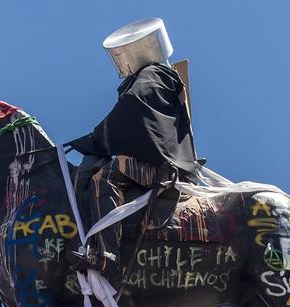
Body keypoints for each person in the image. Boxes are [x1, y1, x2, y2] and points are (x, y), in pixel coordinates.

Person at [66, 18, 200, 276]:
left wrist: (93, 140)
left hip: (161, 169)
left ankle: (106, 255)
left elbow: (131, 113)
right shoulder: (154, 77)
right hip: (160, 161)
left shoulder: (154, 74)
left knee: (107, 175)